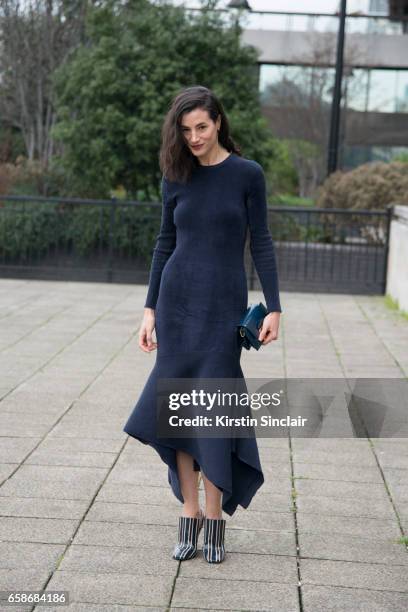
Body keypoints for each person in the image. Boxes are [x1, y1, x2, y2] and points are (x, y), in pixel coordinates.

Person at [123, 85, 282, 564]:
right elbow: (163, 243)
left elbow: (263, 243)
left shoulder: (247, 174)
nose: (193, 137)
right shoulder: (176, 174)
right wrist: (149, 310)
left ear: (218, 123)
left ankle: (215, 518)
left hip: (221, 308)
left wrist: (274, 306)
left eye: (202, 127)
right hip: (176, 304)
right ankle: (189, 516)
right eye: (186, 129)